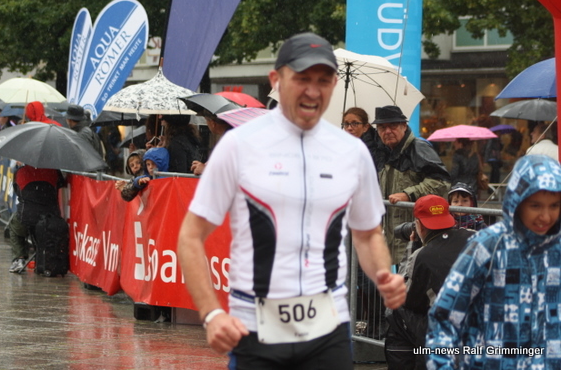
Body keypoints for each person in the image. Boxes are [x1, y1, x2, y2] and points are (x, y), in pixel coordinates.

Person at [177, 32, 405, 369]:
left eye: (323, 80)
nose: (313, 90)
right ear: (276, 80)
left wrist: (382, 273)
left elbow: (368, 233)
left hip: (329, 329)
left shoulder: (352, 152)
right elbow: (190, 236)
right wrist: (211, 313)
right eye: (302, 78)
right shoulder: (238, 146)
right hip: (255, 328)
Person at [426, 154, 561, 369]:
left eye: (554, 206)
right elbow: (445, 317)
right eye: (536, 206)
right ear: (518, 200)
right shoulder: (488, 245)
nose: (545, 216)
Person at [384, 195, 475, 370]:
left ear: (418, 225)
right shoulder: (476, 236)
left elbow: (411, 301)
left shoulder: (422, 255)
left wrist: (412, 247)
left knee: (395, 311)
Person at [372, 105, 451, 264]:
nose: (387, 131)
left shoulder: (419, 148)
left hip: (417, 235)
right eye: (382, 127)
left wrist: (409, 194)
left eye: (393, 126)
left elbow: (441, 182)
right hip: (390, 237)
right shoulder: (382, 152)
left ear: (404, 126)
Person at [8, 163, 63, 273]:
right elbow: (61, 186)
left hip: (26, 216)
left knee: (14, 226)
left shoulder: (20, 172)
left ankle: (19, 259)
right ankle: (46, 259)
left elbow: (18, 192)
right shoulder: (54, 171)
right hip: (50, 218)